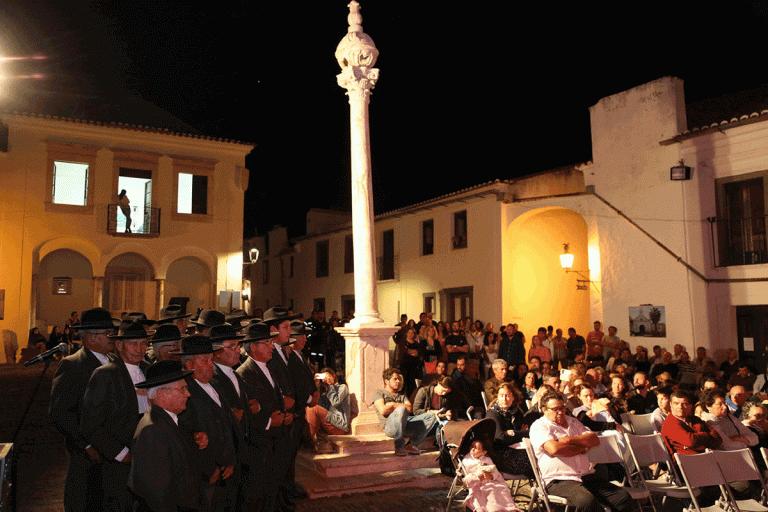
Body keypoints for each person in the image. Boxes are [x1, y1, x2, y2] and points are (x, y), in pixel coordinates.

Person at [80, 319, 151, 512]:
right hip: (119, 462)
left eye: (143, 343)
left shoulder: (148, 370)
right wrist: (121, 454)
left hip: (147, 456)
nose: (140, 349)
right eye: (133, 344)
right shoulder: (105, 374)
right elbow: (90, 424)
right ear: (119, 346)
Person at [49, 307, 115, 512]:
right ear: (92, 338)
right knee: (85, 501)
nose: (113, 338)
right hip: (86, 453)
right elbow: (60, 413)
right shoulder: (73, 365)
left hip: (111, 450)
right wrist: (86, 445)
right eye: (108, 334)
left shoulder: (114, 361)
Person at [530, 392, 632, 512]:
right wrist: (581, 448)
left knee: (622, 497)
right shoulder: (539, 426)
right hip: (558, 480)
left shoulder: (573, 422)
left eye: (562, 408)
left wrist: (568, 440)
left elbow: (594, 440)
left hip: (585, 475)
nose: (560, 412)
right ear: (544, 410)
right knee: (587, 501)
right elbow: (554, 449)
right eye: (555, 409)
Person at [174, 334, 238, 512]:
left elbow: (227, 426)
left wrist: (231, 460)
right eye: (205, 361)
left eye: (211, 359)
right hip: (204, 476)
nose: (211, 365)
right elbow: (187, 435)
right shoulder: (184, 392)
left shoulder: (215, 384)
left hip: (226, 471)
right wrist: (209, 470)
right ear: (188, 365)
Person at [129, 360, 202, 512]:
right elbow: (157, 494)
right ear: (162, 394)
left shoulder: (168, 420)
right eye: (182, 389)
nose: (188, 394)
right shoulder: (152, 431)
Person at [236, 322, 293, 512]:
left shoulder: (268, 367)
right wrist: (269, 421)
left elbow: (274, 400)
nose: (271, 347)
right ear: (253, 347)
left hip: (275, 441)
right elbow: (248, 411)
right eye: (267, 342)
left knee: (270, 492)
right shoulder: (244, 373)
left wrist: (284, 416)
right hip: (259, 445)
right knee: (256, 496)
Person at [372, 367, 438, 456]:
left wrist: (392, 404)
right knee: (402, 409)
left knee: (431, 416)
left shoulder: (402, 395)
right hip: (390, 427)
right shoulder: (379, 393)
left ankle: (411, 445)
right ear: (387, 381)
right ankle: (399, 446)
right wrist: (401, 406)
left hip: (405, 424)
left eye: (399, 379)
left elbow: (410, 409)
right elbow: (383, 410)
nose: (398, 381)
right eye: (395, 379)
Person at [485, 382, 533, 477]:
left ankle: (540, 486)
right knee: (532, 461)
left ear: (513, 397)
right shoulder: (493, 413)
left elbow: (528, 432)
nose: (504, 399)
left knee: (538, 455)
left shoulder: (516, 411)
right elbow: (500, 437)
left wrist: (512, 433)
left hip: (517, 449)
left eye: (507, 396)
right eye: (501, 396)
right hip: (500, 454)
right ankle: (540, 486)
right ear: (497, 396)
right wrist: (519, 433)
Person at [461, 439, 520, 512]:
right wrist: (476, 477)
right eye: (471, 446)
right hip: (479, 483)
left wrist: (491, 476)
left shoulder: (487, 459)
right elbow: (467, 475)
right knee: (488, 492)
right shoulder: (467, 460)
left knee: (501, 490)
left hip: (492, 481)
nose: (472, 449)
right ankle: (494, 509)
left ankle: (506, 508)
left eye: (476, 448)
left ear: (484, 452)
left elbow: (494, 471)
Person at [306, 368, 350, 453]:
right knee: (308, 409)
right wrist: (316, 386)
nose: (326, 379)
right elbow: (315, 407)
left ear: (334, 376)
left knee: (314, 409)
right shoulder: (325, 393)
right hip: (330, 422)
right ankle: (308, 440)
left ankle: (309, 442)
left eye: (328, 376)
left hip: (340, 425)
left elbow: (335, 402)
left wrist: (330, 385)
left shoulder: (342, 387)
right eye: (324, 377)